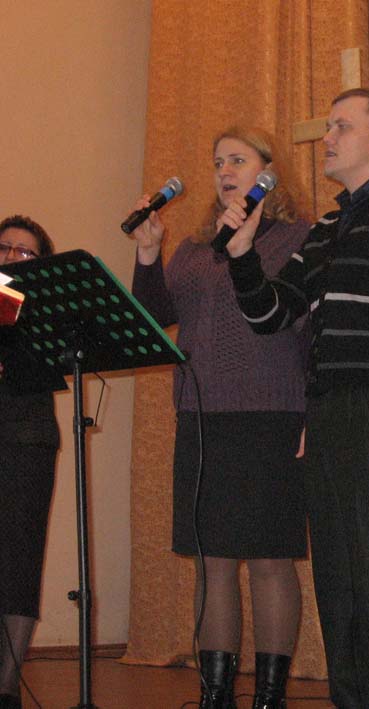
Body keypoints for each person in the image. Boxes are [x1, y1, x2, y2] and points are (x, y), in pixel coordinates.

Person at [223, 89, 369, 708]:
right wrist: (242, 255)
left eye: (341, 126)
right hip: (328, 412)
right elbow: (273, 314)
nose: (326, 138)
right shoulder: (329, 228)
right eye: (328, 126)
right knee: (338, 578)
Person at [129, 127, 309, 709]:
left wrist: (315, 412)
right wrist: (149, 253)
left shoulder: (297, 239)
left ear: (268, 172)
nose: (224, 171)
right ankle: (215, 695)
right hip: (203, 416)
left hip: (270, 415)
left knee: (270, 560)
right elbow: (154, 318)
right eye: (217, 163)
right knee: (213, 563)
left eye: (238, 160)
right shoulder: (195, 247)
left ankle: (270, 698)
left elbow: (307, 328)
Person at [0, 215, 59, 709]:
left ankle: (7, 685)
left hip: (27, 438)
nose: (12, 257)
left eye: (24, 252)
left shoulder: (50, 308)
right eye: (4, 249)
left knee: (20, 559)